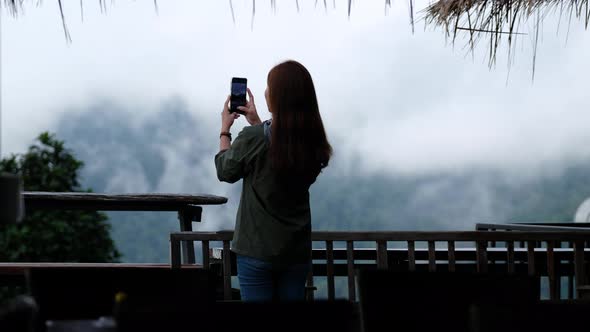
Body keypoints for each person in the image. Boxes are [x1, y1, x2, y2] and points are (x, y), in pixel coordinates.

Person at [215, 60, 332, 302]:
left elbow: (225, 170)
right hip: (295, 251)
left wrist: (225, 131)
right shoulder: (313, 143)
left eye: (269, 87)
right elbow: (278, 156)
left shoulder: (254, 139)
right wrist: (258, 124)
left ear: (278, 97)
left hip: (256, 250)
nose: (266, 92)